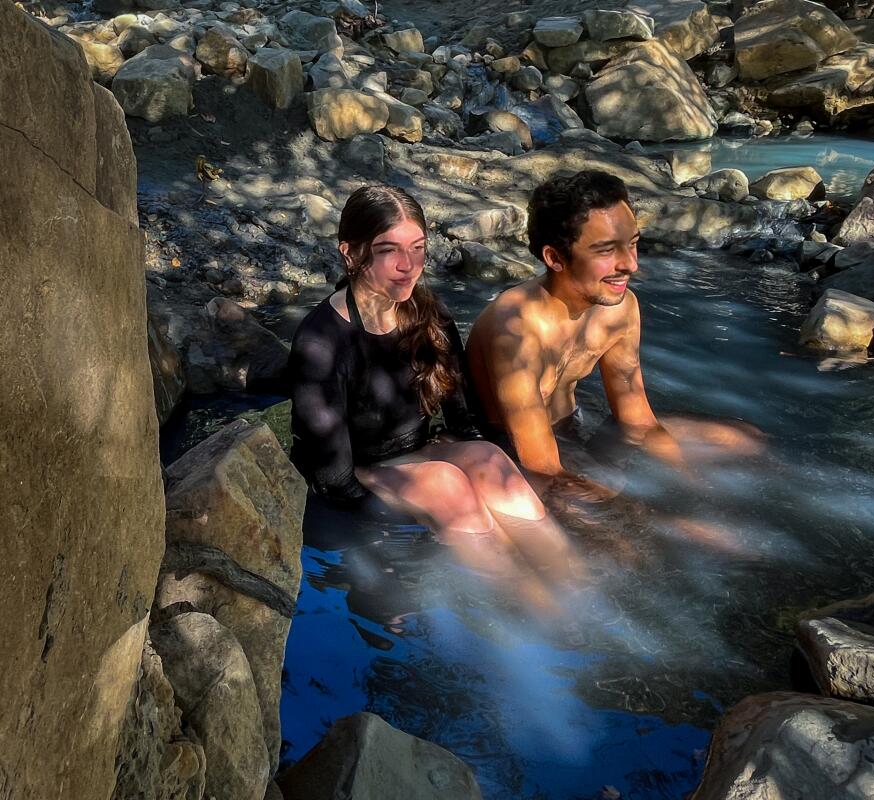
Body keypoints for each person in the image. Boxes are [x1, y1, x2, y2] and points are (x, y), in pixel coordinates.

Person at [288, 185, 574, 593]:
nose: (408, 266)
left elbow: (463, 417)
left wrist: (472, 457)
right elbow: (335, 480)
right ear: (350, 252)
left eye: (418, 248)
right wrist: (413, 520)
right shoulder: (320, 343)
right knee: (446, 484)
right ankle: (531, 606)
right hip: (353, 472)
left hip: (416, 451)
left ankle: (578, 587)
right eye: (389, 250)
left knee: (488, 460)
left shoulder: (427, 311)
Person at [466, 170, 763, 501]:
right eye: (607, 251)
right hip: (512, 453)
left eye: (633, 244)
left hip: (573, 428)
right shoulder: (515, 329)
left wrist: (692, 485)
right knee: (625, 535)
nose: (631, 265)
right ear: (555, 258)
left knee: (745, 439)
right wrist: (625, 507)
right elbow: (540, 465)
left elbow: (636, 417)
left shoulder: (619, 310)